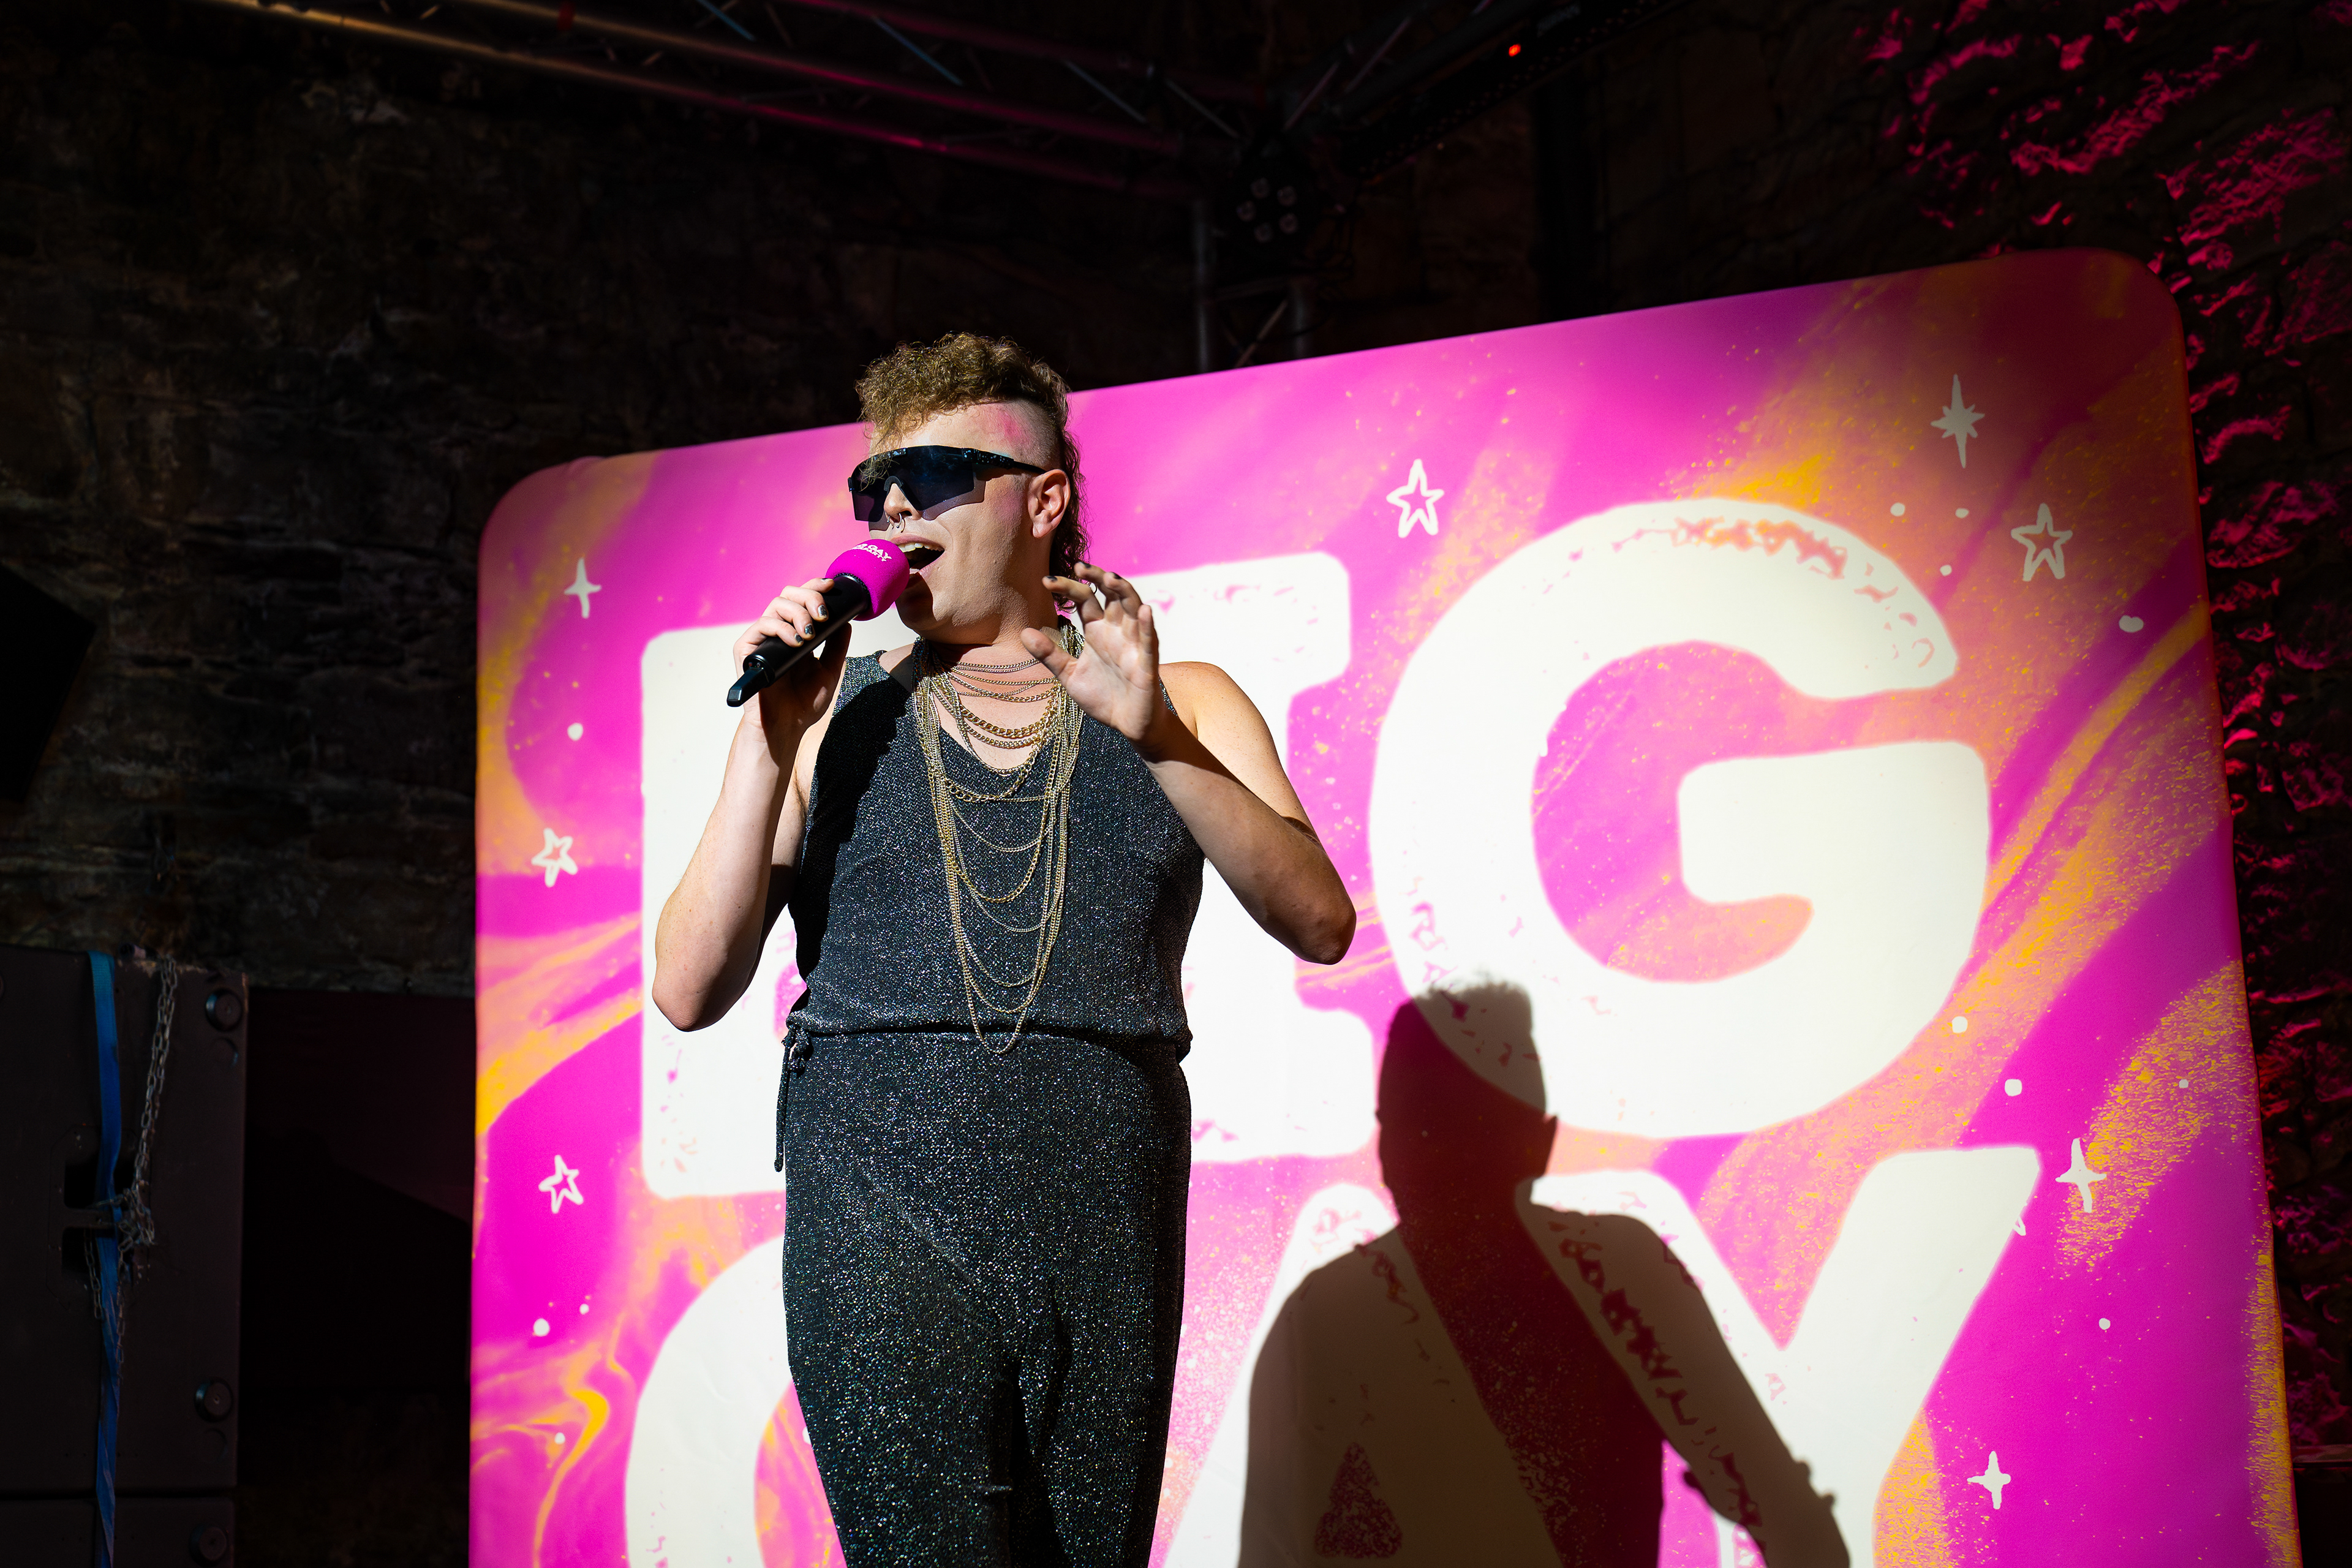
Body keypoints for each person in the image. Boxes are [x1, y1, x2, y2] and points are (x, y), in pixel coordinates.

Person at [652, 333, 1355, 1566]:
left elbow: (1320, 920)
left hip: (1105, 1193)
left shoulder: (1185, 697)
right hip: (879, 1189)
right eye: (876, 486)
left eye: (933, 477)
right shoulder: (832, 718)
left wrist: (1154, 734)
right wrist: (767, 739)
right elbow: (687, 986)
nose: (896, 509)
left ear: (1044, 501)